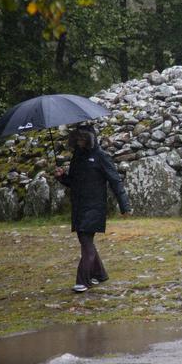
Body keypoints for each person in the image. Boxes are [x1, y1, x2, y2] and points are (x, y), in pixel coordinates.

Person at [54, 125, 131, 293]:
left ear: (89, 139)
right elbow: (73, 182)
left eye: (83, 139)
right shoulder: (77, 156)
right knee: (85, 240)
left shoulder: (101, 157)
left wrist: (124, 205)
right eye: (77, 139)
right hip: (79, 206)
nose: (80, 142)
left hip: (95, 207)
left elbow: (115, 181)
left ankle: (83, 280)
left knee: (86, 241)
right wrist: (62, 177)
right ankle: (100, 274)